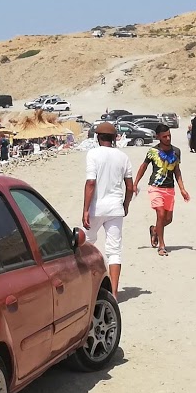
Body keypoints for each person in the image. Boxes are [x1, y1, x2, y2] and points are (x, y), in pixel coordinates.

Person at [81, 121, 134, 295]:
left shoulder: (93, 154)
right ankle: (114, 293)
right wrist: (125, 205)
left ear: (98, 137)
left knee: (86, 246)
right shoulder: (123, 157)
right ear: (114, 138)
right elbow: (130, 186)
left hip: (97, 208)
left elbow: (90, 182)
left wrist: (86, 210)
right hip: (115, 209)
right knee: (114, 251)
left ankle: (90, 288)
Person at [135, 124, 190, 257]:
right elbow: (143, 167)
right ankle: (162, 245)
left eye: (169, 135)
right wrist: (135, 183)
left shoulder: (176, 151)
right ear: (158, 137)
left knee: (168, 219)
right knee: (160, 214)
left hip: (169, 189)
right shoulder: (152, 151)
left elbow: (177, 171)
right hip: (155, 187)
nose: (168, 138)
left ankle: (155, 230)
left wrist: (182, 189)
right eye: (164, 136)